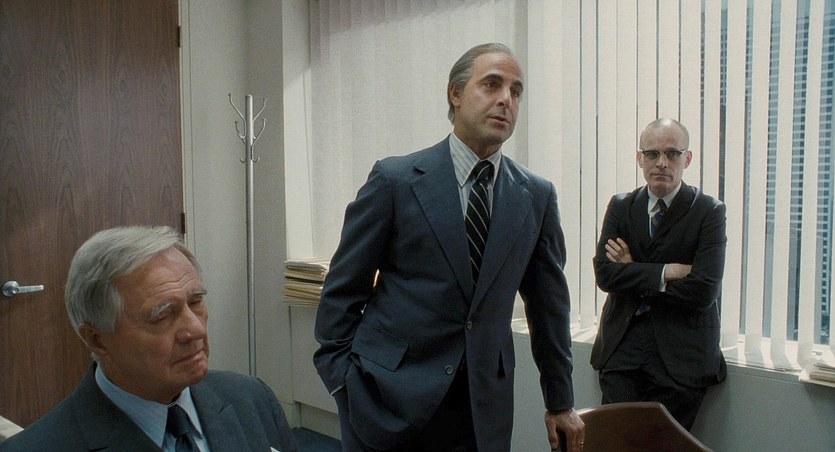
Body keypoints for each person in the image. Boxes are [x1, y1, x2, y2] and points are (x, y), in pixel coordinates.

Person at [313, 43, 584, 452]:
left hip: (482, 409)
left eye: (516, 91)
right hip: (387, 399)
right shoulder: (395, 181)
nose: (506, 100)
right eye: (491, 84)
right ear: (455, 93)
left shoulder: (535, 196)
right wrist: (344, 383)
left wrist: (560, 401)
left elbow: (549, 307)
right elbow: (342, 291)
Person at [0, 225, 298, 452]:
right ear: (97, 339)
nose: (196, 330)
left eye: (195, 302)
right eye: (162, 315)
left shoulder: (251, 398)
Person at [590, 118, 727, 430]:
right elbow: (606, 275)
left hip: (681, 358)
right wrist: (667, 272)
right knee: (614, 443)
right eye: (652, 154)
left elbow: (703, 290)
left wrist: (632, 269)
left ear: (687, 159)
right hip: (622, 351)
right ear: (640, 159)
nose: (661, 163)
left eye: (672, 154)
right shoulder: (621, 206)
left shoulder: (709, 211)